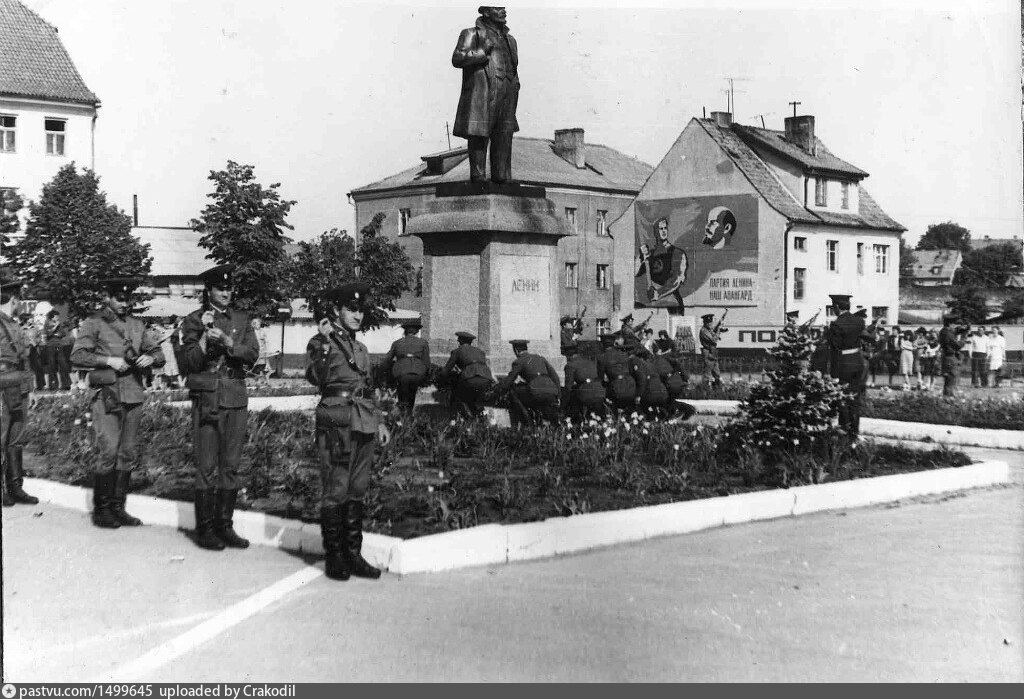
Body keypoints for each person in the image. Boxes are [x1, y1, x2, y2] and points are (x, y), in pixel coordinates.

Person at [305, 282, 390, 581]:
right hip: (337, 420)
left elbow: (368, 389)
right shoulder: (322, 341)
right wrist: (325, 344)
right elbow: (316, 377)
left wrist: (379, 421)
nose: (357, 315)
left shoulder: (361, 348)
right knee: (336, 488)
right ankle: (335, 557)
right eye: (351, 309)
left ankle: (353, 554)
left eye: (360, 310)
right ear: (337, 310)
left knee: (357, 488)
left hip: (363, 420)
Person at [179, 264, 261, 551]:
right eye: (220, 288)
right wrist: (204, 338)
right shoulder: (194, 320)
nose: (226, 292)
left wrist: (228, 342)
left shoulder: (241, 319)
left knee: (231, 465)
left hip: (235, 396)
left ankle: (225, 526)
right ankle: (205, 529)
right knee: (206, 465)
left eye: (229, 288)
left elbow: (253, 354)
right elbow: (188, 362)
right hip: (208, 398)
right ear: (209, 291)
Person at [70, 277, 164, 527]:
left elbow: (158, 353)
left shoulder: (137, 325)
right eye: (119, 299)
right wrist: (108, 361)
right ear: (107, 298)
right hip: (107, 394)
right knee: (109, 450)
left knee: (127, 453)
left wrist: (150, 359)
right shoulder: (93, 323)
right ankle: (102, 510)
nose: (124, 303)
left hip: (133, 393)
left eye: (127, 299)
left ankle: (118, 507)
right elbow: (77, 355)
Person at [451, 6, 519, 184]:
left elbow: (513, 66)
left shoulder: (510, 40)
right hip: (483, 91)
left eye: (503, 8)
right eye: (498, 8)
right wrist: (482, 51)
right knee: (479, 133)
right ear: (486, 12)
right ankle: (478, 176)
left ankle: (501, 176)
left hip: (507, 91)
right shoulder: (471, 33)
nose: (504, 11)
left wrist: (515, 85)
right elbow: (457, 58)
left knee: (504, 133)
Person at [1, 270, 39, 507]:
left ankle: (15, 487)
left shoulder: (15, 325)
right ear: (14, 299)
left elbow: (24, 359)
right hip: (2, 385)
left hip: (19, 386)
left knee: (16, 438)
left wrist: (30, 389)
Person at [826, 293, 869, 436]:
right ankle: (854, 430)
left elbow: (835, 350)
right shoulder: (859, 322)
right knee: (855, 398)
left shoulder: (836, 325)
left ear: (837, 307)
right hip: (858, 362)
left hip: (844, 364)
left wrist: (834, 374)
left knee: (843, 396)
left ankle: (844, 428)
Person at [496, 339, 560, 427]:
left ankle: (525, 421)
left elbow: (509, 381)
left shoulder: (519, 361)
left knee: (512, 392)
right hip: (551, 392)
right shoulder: (540, 358)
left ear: (516, 350)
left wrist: (499, 389)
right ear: (526, 348)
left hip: (536, 392)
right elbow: (555, 377)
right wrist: (558, 395)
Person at [381, 318, 431, 413]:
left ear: (405, 331)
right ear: (416, 331)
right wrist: (427, 374)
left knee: (402, 396)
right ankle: (408, 414)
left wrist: (382, 371)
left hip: (401, 372)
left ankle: (403, 415)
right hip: (417, 372)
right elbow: (426, 361)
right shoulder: (423, 343)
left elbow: (387, 360)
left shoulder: (397, 343)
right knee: (411, 395)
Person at [442, 331, 494, 419]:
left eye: (459, 340)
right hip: (486, 379)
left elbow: (446, 371)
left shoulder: (457, 351)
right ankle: (481, 414)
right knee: (472, 394)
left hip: (470, 378)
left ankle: (459, 417)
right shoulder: (480, 351)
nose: (458, 342)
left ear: (461, 341)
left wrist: (441, 379)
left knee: (457, 392)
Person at [561, 342, 605, 422]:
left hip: (586, 394)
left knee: (571, 398)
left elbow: (568, 386)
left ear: (567, 354)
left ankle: (574, 421)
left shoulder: (570, 365)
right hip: (600, 392)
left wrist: (562, 404)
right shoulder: (589, 361)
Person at [596, 331, 636, 411]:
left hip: (617, 388)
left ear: (602, 344)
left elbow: (600, 377)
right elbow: (631, 371)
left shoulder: (602, 357)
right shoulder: (624, 354)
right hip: (631, 386)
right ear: (614, 343)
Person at [629, 345, 668, 415]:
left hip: (650, 394)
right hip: (662, 392)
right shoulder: (651, 364)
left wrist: (638, 396)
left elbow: (642, 381)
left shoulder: (639, 364)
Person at [43, 309, 73, 390]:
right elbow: (48, 334)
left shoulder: (59, 324)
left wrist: (57, 333)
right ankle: (53, 385)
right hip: (50, 346)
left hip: (59, 346)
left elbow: (63, 333)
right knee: (52, 365)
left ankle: (66, 384)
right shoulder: (47, 324)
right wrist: (55, 327)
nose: (58, 318)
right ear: (52, 317)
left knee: (63, 364)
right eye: (56, 316)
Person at [938, 315, 965, 396]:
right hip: (950, 358)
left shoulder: (944, 331)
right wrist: (964, 338)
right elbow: (958, 345)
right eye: (955, 324)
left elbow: (955, 332)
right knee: (951, 378)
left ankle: (947, 396)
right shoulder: (948, 334)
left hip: (946, 357)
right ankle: (949, 397)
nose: (955, 326)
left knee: (948, 380)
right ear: (950, 324)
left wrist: (962, 329)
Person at [699, 313, 725, 386]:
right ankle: (705, 388)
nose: (710, 324)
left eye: (711, 322)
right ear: (705, 323)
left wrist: (719, 330)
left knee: (716, 372)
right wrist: (718, 330)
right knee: (707, 372)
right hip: (708, 351)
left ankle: (717, 388)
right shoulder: (704, 331)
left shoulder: (709, 330)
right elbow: (713, 340)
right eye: (708, 323)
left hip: (713, 351)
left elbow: (714, 334)